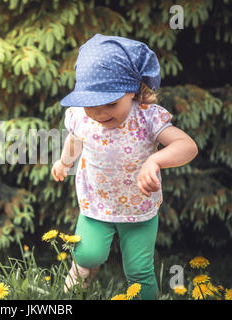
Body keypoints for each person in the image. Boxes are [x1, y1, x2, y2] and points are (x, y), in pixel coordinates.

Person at [51, 34, 199, 300]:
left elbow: (187, 146)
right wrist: (64, 162)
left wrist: (155, 160)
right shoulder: (80, 118)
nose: (99, 113)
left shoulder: (146, 117)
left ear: (131, 90)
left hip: (139, 209)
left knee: (139, 269)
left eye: (110, 103)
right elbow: (75, 140)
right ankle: (72, 289)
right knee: (87, 254)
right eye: (91, 104)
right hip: (97, 204)